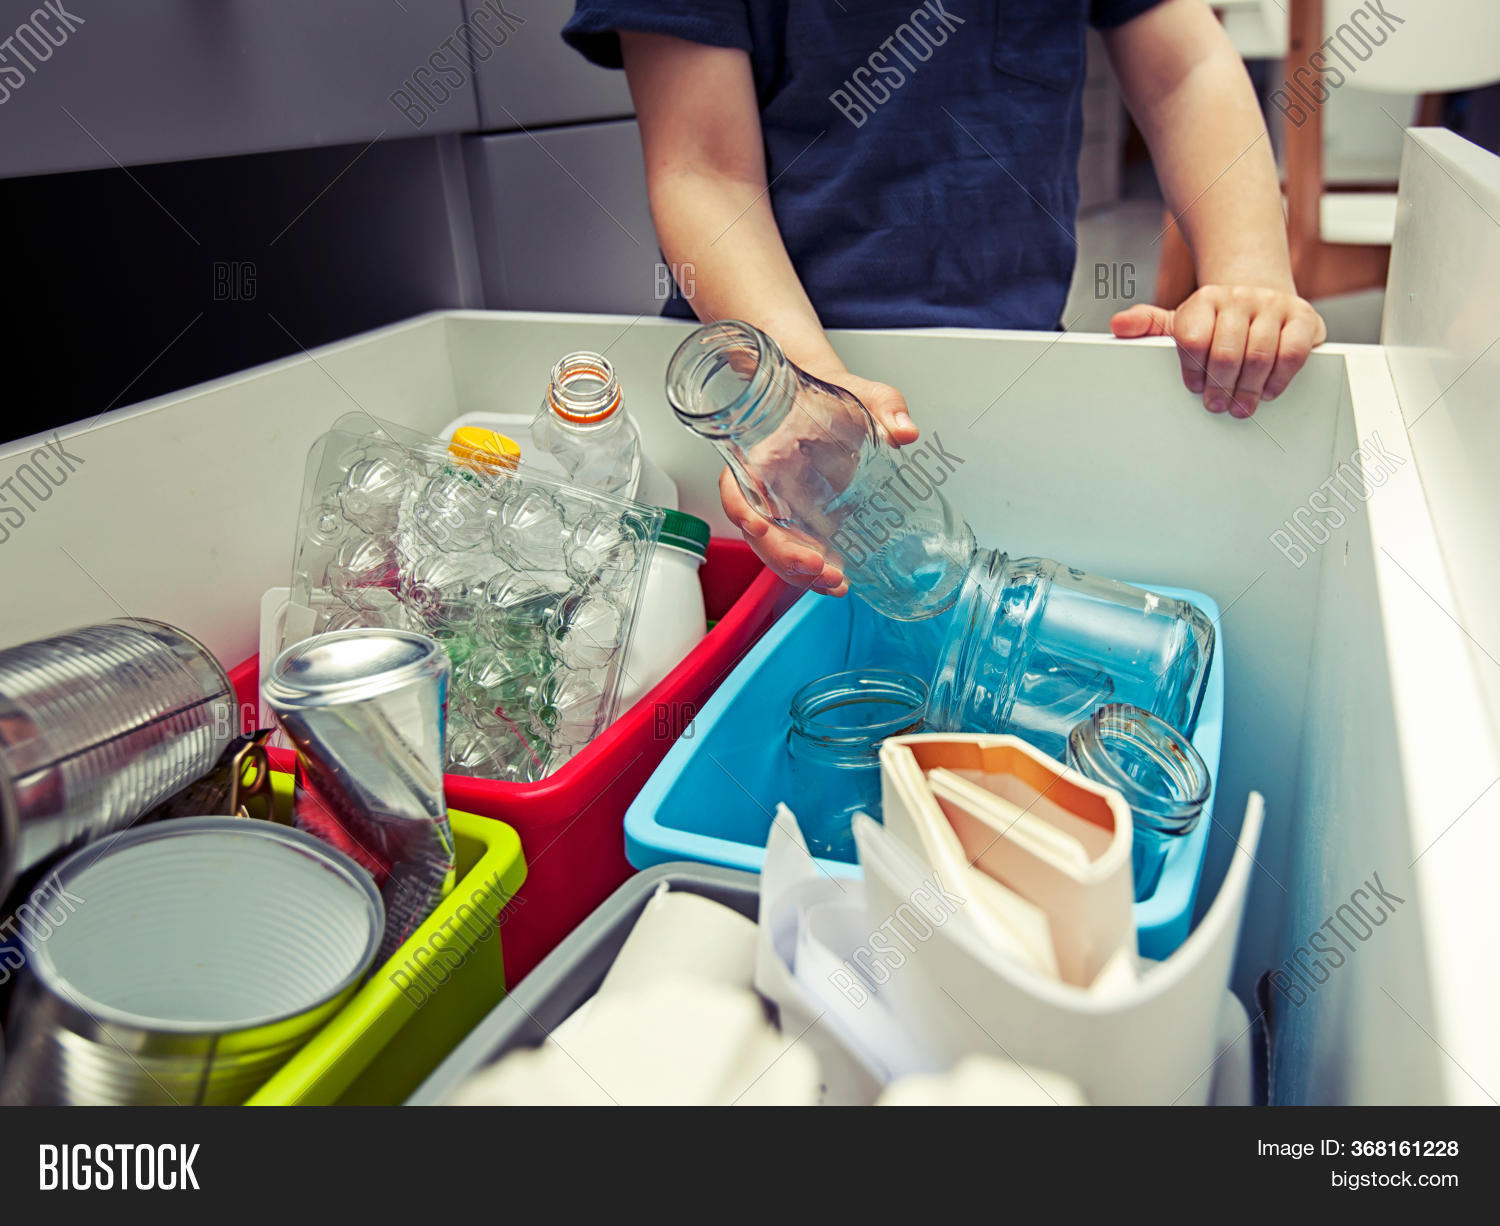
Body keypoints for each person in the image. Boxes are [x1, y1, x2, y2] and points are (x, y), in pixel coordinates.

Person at [564, 0, 1328, 596]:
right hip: (765, 402)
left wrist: (1248, 276)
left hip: (1017, 378)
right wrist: (791, 389)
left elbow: (1186, 70)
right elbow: (702, 171)